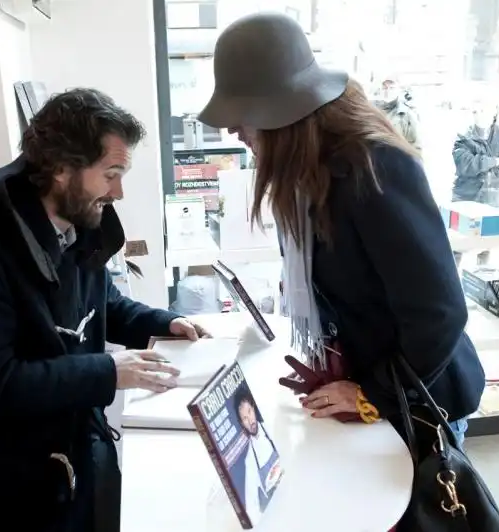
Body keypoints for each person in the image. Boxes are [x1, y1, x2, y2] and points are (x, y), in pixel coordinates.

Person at [0, 88, 208, 532]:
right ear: (60, 168)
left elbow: (102, 303)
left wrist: (164, 322)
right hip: (0, 478)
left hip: (69, 439)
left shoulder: (78, 223)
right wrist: (109, 371)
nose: (119, 191)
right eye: (111, 173)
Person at [198, 13, 484, 451]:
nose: (233, 130)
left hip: (416, 402)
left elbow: (438, 313)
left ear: (282, 111)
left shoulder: (376, 168)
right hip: (368, 384)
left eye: (241, 115)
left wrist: (374, 394)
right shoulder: (303, 177)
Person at [452, 101, 499, 205]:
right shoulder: (463, 138)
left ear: (494, 111)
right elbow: (465, 166)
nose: (479, 115)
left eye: (483, 110)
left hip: (495, 199)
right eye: (475, 112)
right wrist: (493, 161)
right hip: (464, 198)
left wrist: (480, 174)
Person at [231, 386, 280, 522]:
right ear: (242, 424)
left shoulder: (271, 425)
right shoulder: (250, 460)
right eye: (245, 418)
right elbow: (252, 506)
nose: (250, 420)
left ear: (254, 408)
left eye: (250, 412)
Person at [375, 78, 422, 152]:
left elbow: (416, 147)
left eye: (392, 88)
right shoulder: (372, 112)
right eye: (385, 88)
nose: (387, 91)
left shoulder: (407, 114)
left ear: (399, 90)